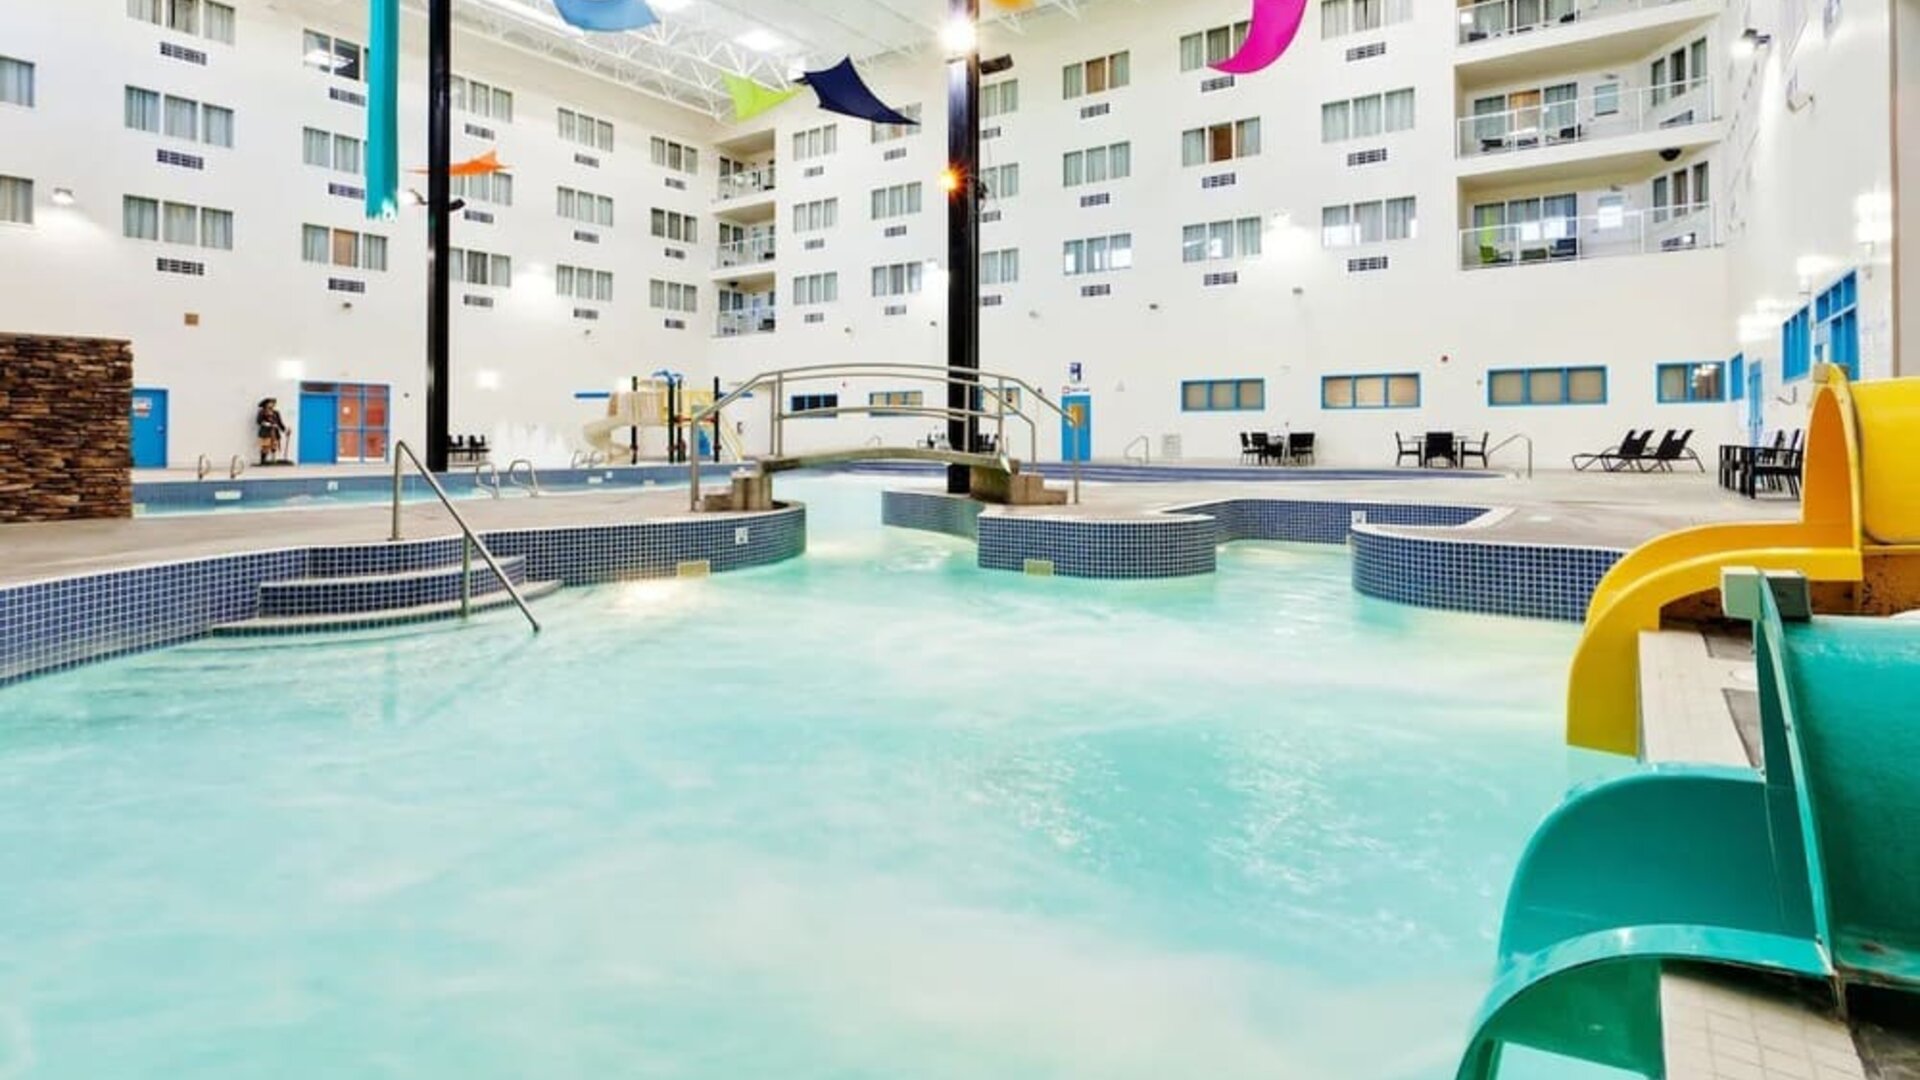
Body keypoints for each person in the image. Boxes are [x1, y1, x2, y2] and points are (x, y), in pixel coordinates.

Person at [256, 398, 288, 465]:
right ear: (266, 404)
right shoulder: (262, 412)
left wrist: (285, 430)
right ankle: (263, 460)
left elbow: (279, 422)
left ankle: (273, 460)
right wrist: (268, 424)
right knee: (265, 446)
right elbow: (259, 421)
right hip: (265, 432)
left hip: (274, 432)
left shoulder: (276, 412)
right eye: (270, 403)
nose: (272, 404)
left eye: (273, 403)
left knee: (274, 445)